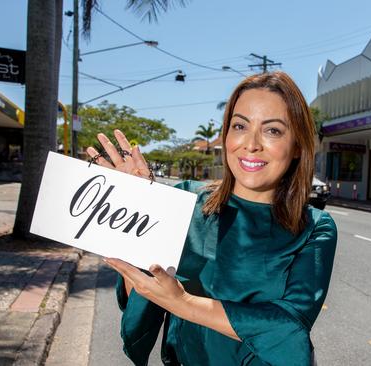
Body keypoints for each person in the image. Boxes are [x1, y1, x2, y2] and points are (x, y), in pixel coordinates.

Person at [86, 71, 338, 366]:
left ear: (297, 146)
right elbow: (142, 293)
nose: (251, 143)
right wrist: (141, 208)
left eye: (273, 131)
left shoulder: (314, 226)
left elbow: (289, 326)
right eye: (240, 125)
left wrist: (183, 303)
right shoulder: (185, 201)